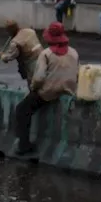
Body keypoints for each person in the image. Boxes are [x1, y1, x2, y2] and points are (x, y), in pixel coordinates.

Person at [14, 22, 79, 155]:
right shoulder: (74, 52)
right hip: (69, 90)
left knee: (22, 110)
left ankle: (24, 145)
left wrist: (33, 88)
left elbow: (39, 77)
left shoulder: (46, 54)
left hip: (49, 92)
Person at [1, 19, 42, 83]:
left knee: (33, 82)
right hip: (42, 57)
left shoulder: (15, 42)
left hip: (31, 63)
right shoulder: (30, 31)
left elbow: (11, 56)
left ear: (9, 31)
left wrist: (2, 56)